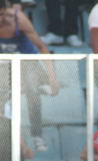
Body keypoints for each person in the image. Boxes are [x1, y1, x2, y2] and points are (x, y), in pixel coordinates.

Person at [0, 0, 60, 152]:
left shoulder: (19, 19)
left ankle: (37, 135)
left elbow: (42, 47)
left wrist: (53, 77)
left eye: (3, 14)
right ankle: (6, 137)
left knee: (32, 93)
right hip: (4, 63)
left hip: (27, 61)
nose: (2, 19)